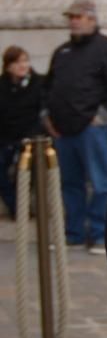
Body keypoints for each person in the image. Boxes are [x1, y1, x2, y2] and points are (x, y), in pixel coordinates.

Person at [45, 0, 107, 251]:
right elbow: (48, 87)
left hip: (91, 129)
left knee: (100, 183)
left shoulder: (106, 48)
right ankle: (73, 233)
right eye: (70, 17)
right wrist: (47, 118)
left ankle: (99, 234)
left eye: (78, 17)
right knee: (70, 184)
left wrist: (100, 118)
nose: (73, 21)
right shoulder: (62, 51)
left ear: (91, 19)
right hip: (63, 131)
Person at [0, 46, 45, 218]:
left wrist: (29, 136)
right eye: (17, 62)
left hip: (31, 139)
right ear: (8, 66)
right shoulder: (2, 85)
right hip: (6, 138)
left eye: (25, 61)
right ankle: (16, 207)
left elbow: (42, 114)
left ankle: (21, 209)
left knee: (25, 171)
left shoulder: (39, 83)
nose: (22, 65)